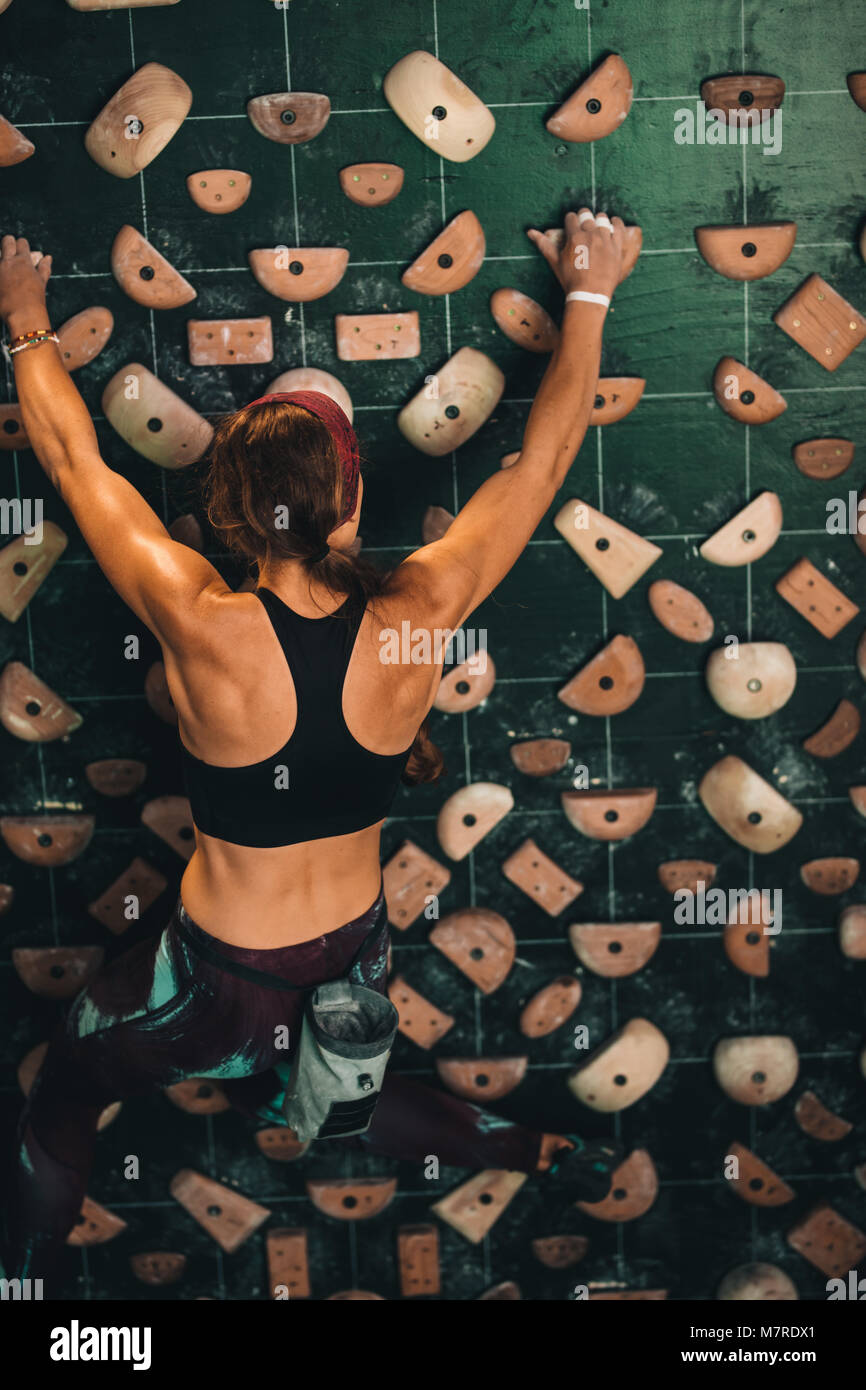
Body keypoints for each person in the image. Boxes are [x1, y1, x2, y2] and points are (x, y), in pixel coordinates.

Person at [0, 208, 631, 1288]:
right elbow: (546, 454)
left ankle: (17, 1282)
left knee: (67, 1080)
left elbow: (72, 457)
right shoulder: (421, 607)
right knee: (321, 1087)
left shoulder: (195, 616)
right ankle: (543, 1150)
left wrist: (22, 319)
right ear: (348, 500)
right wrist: (588, 288)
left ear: (237, 510)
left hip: (214, 978)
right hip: (350, 955)